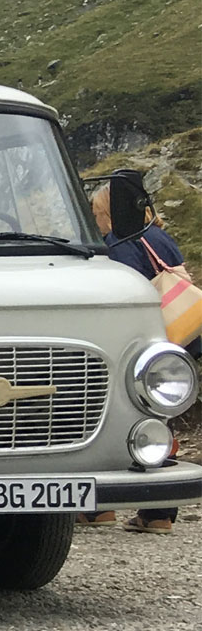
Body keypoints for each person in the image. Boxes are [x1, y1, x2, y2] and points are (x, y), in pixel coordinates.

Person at [92, 171, 184, 534]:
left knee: (108, 416)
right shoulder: (161, 237)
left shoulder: (120, 243)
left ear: (108, 212)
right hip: (172, 336)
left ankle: (98, 508)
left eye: (97, 214)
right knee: (159, 419)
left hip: (132, 343)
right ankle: (158, 512)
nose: (96, 221)